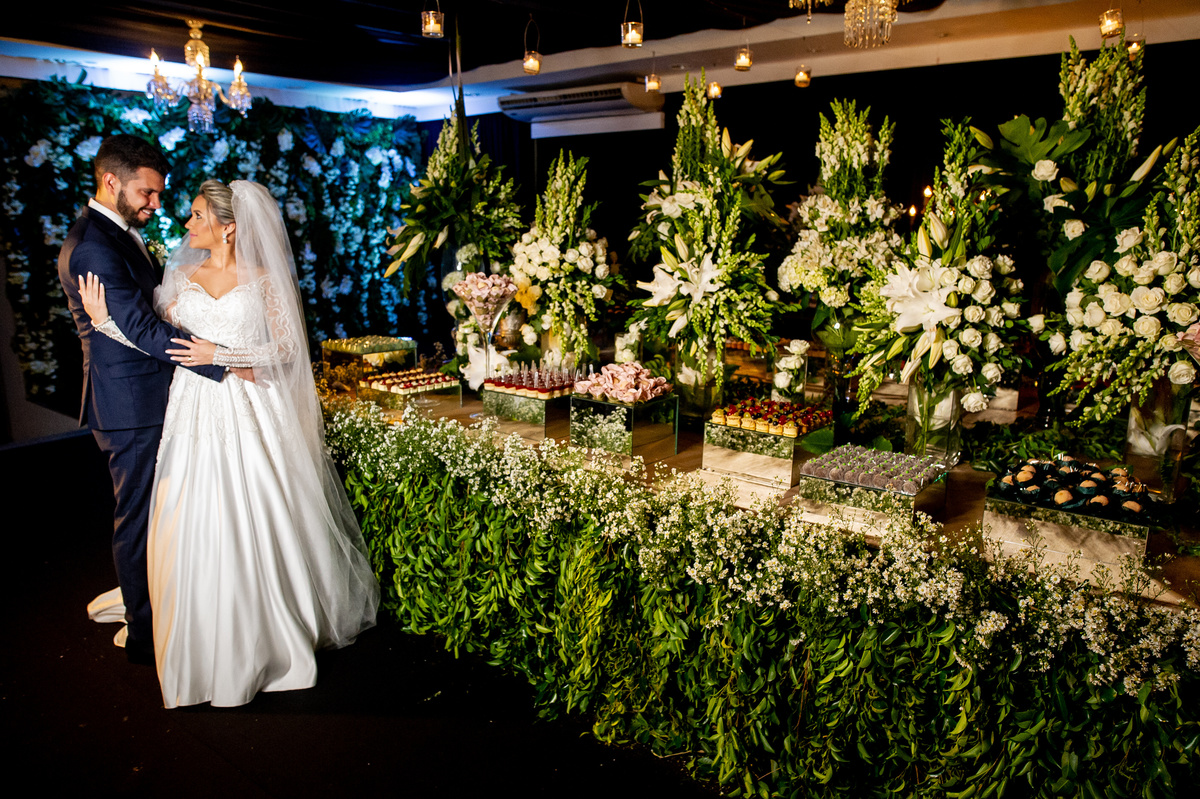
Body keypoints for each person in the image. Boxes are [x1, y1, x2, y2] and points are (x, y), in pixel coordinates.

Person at [78, 179, 379, 707]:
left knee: (266, 508)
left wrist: (224, 353)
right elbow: (157, 341)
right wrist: (105, 324)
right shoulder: (179, 278)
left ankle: (275, 631)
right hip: (192, 411)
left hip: (253, 407)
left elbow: (287, 350)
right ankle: (203, 635)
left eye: (196, 215)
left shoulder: (263, 279)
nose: (186, 224)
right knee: (193, 514)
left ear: (229, 227)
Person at [57, 134, 232, 664]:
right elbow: (137, 327)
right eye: (147, 193)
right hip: (130, 406)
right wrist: (224, 361)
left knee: (164, 513)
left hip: (148, 397)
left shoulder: (115, 233)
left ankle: (169, 608)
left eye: (157, 194)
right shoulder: (93, 245)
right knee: (137, 517)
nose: (156, 204)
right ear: (111, 182)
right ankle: (143, 629)